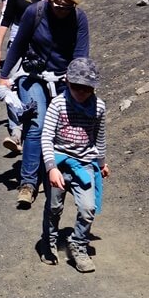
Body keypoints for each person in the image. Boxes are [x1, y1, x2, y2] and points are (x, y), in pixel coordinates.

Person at [0, 0, 89, 208]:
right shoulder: (35, 12)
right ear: (50, 0)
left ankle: (62, 176)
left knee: (63, 126)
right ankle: (27, 183)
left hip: (63, 78)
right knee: (36, 124)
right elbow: (18, 44)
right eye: (59, 6)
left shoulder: (79, 19)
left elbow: (81, 53)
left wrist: (75, 77)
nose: (63, 11)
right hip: (32, 75)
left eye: (69, 6)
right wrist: (4, 76)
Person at [41, 57, 108, 272]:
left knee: (88, 208)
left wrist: (102, 162)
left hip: (84, 163)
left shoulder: (98, 107)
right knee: (53, 207)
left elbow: (99, 137)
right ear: (67, 82)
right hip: (59, 162)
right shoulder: (58, 104)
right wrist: (51, 167)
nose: (81, 92)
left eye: (87, 88)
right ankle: (49, 241)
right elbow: (46, 137)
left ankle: (79, 244)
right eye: (77, 87)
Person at [0, 0, 51, 151]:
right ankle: (16, 132)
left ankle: (36, 128)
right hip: (17, 38)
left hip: (39, 43)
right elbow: (5, 18)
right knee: (8, 84)